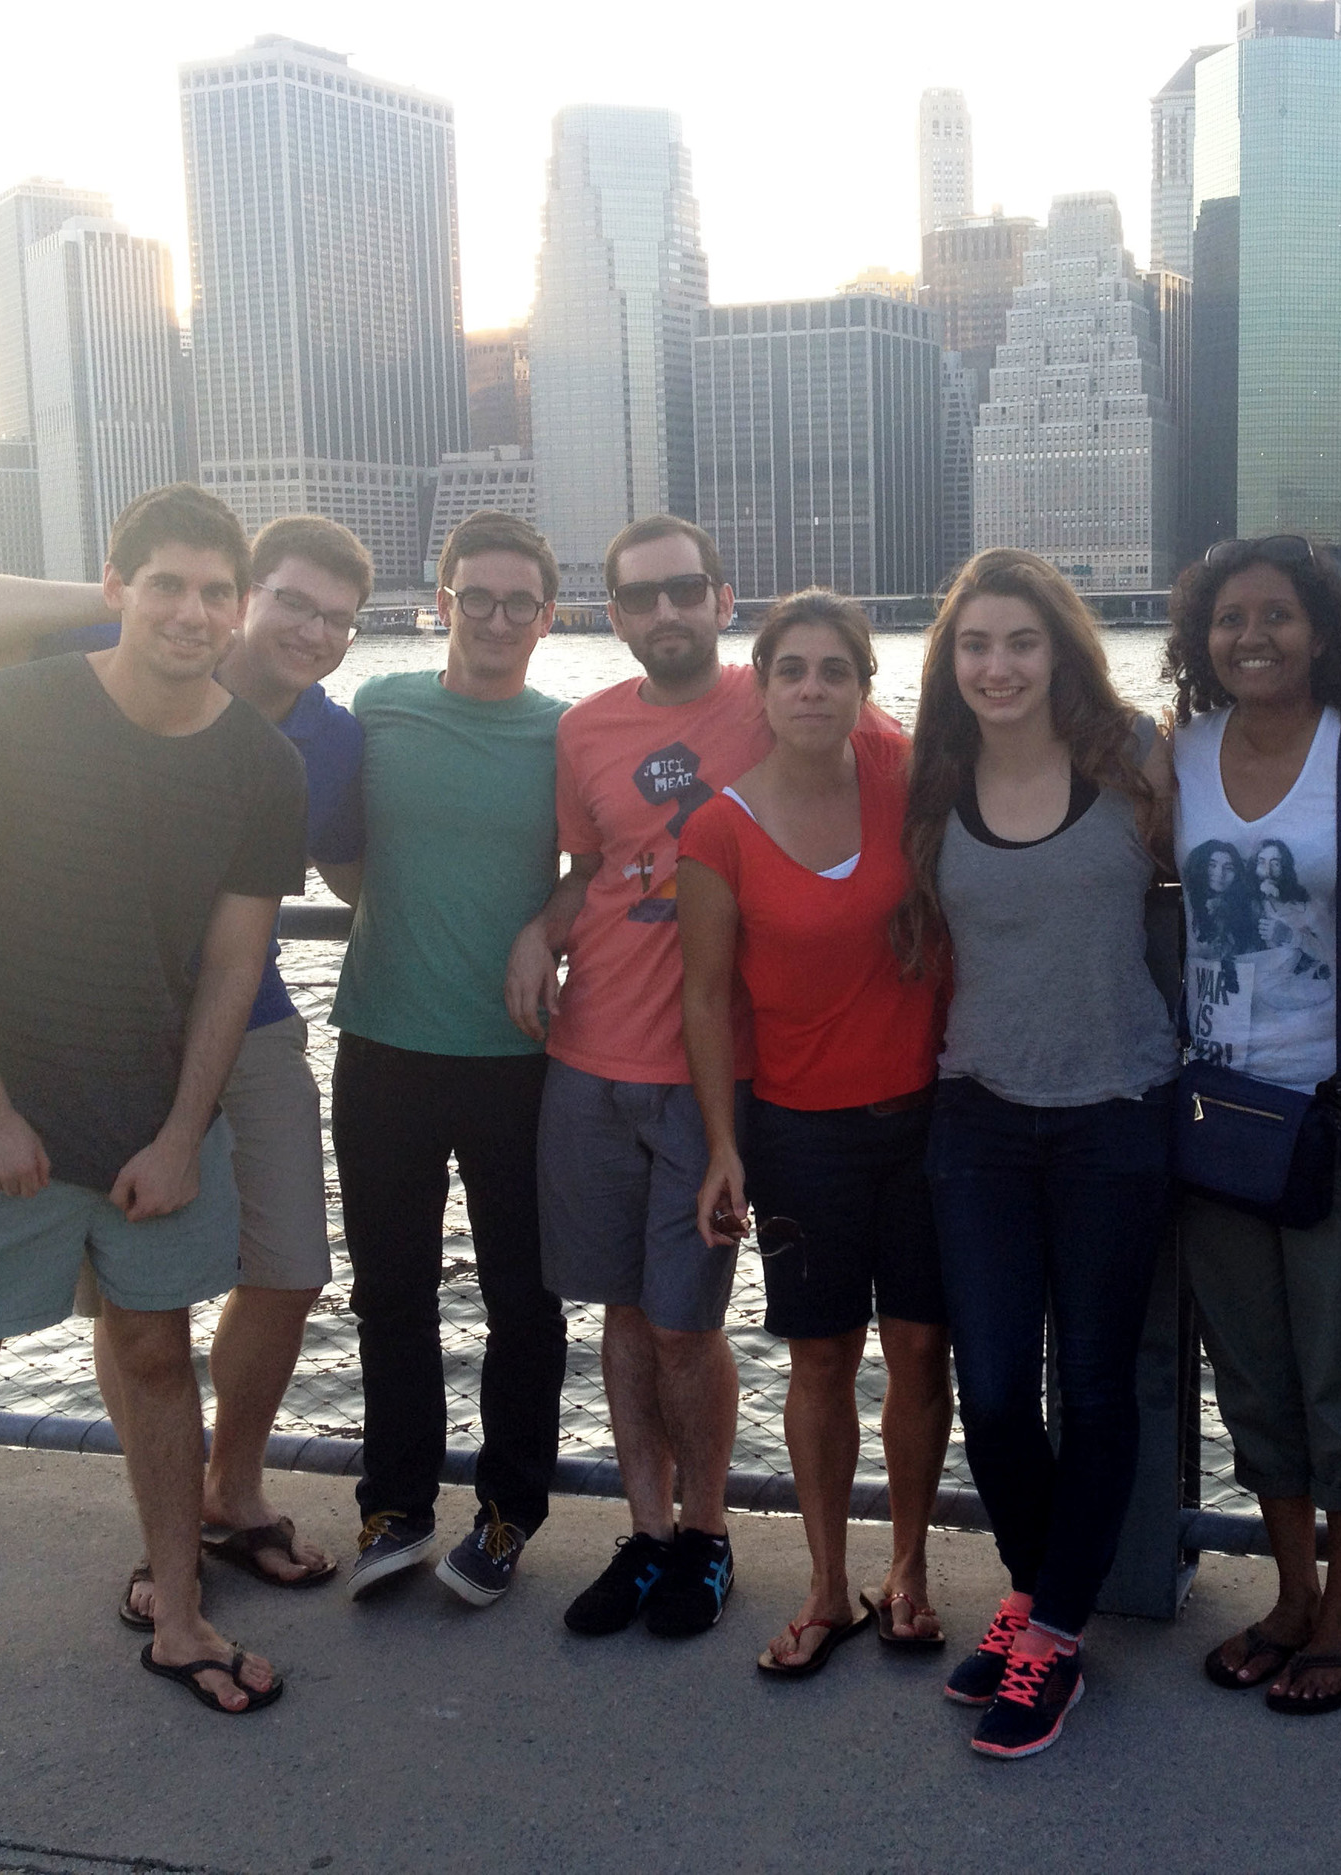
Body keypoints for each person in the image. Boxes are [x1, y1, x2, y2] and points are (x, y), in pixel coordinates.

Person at [0, 484, 306, 1733]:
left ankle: (179, 1613)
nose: (191, 612)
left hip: (153, 1124)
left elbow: (235, 965)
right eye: (167, 585)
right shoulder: (7, 715)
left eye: (213, 592)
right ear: (116, 589)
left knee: (155, 1356)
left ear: (236, 610)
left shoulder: (262, 761)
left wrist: (186, 1134)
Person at [0, 514, 375, 1617]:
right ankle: (157, 1541)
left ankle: (227, 1494)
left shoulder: (324, 742)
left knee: (286, 1267)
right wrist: (146, 599)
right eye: (289, 603)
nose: (310, 632)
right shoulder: (65, 675)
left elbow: (358, 873)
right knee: (124, 1316)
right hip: (71, 1035)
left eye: (339, 619)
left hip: (239, 1026)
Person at [896, 547, 1178, 1760]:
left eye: (1020, 642)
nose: (998, 665)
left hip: (1120, 1109)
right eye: (975, 645)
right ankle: (1033, 1588)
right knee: (998, 1388)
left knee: (1100, 1383)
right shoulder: (934, 778)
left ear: (1061, 649)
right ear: (949, 665)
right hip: (979, 1114)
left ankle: (1053, 1630)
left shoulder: (1136, 761)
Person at [1163, 535, 1341, 1717]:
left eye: (1276, 615)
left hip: (1339, 1107)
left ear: (1324, 631)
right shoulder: (1179, 758)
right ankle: (1287, 1592)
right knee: (1252, 1368)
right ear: (1200, 639)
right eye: (1228, 619)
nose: (1251, 636)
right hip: (1216, 1108)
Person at [676, 592, 952, 1681]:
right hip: (799, 1134)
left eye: (834, 670)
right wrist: (722, 1145)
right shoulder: (717, 825)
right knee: (821, 1358)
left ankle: (913, 1572)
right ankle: (831, 1585)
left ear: (862, 688)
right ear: (763, 685)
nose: (811, 689)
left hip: (929, 1126)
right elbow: (704, 999)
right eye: (790, 669)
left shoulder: (908, 782)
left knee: (923, 1352)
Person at [511, 516, 760, 1641]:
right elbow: (592, 864)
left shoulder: (788, 699)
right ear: (610, 615)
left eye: (683, 592)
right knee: (620, 1314)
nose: (664, 614)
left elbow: (914, 778)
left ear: (720, 596)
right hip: (586, 1063)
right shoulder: (584, 731)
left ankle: (708, 1535)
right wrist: (539, 926)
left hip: (708, 1076)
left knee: (685, 1326)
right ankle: (648, 1532)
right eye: (638, 599)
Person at [334, 508, 568, 1610]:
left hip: (517, 1057)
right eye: (475, 596)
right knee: (391, 1291)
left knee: (526, 1299)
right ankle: (396, 1505)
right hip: (381, 1045)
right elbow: (332, 836)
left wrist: (544, 927)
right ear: (441, 604)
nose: (496, 618)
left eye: (519, 601)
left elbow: (614, 862)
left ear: (546, 617)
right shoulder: (379, 708)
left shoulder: (562, 735)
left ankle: (510, 1513)